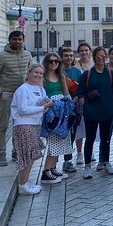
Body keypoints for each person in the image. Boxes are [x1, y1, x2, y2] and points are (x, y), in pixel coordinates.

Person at [0, 30, 33, 166]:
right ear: (9, 40)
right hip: (6, 95)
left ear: (23, 41)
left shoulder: (27, 55)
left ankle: (16, 151)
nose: (17, 42)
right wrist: (0, 93)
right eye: (14, 39)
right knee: (3, 125)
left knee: (18, 125)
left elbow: (31, 72)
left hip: (22, 96)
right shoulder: (1, 56)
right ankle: (1, 153)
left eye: (19, 39)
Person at [11, 63, 54, 195]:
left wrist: (48, 104)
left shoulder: (40, 89)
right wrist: (43, 107)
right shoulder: (22, 90)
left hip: (35, 125)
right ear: (29, 73)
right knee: (28, 156)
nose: (38, 75)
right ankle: (23, 184)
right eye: (36, 72)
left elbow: (42, 102)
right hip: (24, 125)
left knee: (31, 155)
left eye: (41, 73)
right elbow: (23, 109)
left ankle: (25, 181)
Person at [77, 47, 113, 179]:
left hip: (107, 111)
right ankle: (88, 166)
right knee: (89, 139)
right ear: (94, 57)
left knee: (106, 139)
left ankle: (106, 162)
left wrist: (112, 105)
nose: (101, 58)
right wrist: (85, 104)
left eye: (103, 56)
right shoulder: (88, 74)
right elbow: (80, 92)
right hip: (92, 112)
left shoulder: (111, 74)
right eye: (98, 56)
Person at [39, 53, 72, 184]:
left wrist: (68, 108)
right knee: (53, 141)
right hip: (51, 111)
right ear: (46, 63)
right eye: (51, 61)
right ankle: (46, 172)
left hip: (62, 110)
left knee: (61, 139)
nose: (54, 64)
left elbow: (66, 94)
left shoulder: (61, 76)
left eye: (56, 61)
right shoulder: (43, 78)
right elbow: (41, 95)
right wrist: (50, 105)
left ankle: (52, 168)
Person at [60, 47, 81, 173]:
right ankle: (53, 161)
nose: (69, 58)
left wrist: (74, 101)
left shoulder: (77, 72)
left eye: (71, 55)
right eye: (66, 55)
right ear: (61, 57)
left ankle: (68, 160)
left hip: (74, 106)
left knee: (72, 134)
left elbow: (81, 89)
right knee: (59, 134)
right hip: (60, 106)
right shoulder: (57, 71)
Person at [73, 42, 93, 165]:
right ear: (79, 52)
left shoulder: (94, 63)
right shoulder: (75, 64)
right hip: (79, 98)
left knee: (91, 126)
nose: (84, 52)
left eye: (86, 50)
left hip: (92, 99)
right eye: (82, 50)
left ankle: (90, 150)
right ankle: (79, 152)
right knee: (79, 126)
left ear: (90, 51)